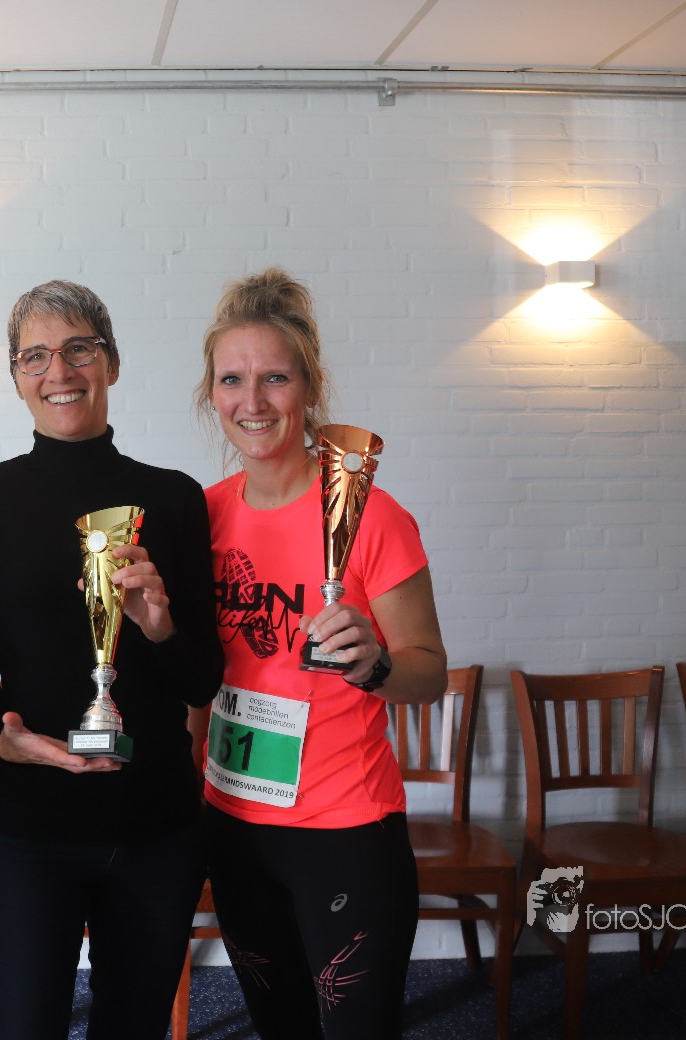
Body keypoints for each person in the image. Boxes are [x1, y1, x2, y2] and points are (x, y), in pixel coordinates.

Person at [0, 280, 223, 1039]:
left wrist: (160, 627)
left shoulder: (174, 498)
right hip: (30, 829)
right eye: (34, 355)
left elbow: (203, 679)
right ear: (16, 377)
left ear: (112, 364)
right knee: (14, 1026)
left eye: (78, 349)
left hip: (156, 827)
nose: (58, 370)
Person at [193, 268, 447, 1039]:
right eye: (232, 379)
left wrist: (376, 663)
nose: (253, 400)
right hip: (234, 823)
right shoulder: (203, 516)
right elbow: (197, 680)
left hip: (345, 831)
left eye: (275, 377)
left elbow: (429, 672)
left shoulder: (373, 516)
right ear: (211, 394)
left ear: (309, 387)